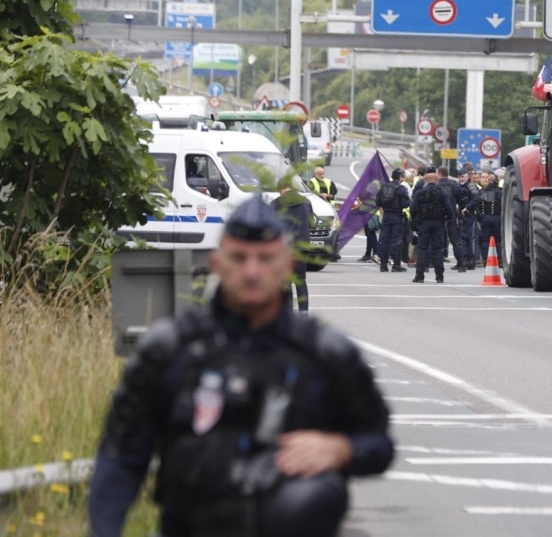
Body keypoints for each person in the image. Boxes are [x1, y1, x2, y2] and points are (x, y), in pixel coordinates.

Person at [88, 195, 394, 537]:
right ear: (217, 264)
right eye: (239, 258)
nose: (251, 271)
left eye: (265, 259)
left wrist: (343, 450)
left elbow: (379, 444)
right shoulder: (171, 349)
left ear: (287, 264)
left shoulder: (326, 354)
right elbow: (122, 457)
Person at [271, 179, 313, 315]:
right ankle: (304, 313)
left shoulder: (276, 204)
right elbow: (312, 223)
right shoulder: (306, 202)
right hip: (301, 247)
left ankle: (288, 315)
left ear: (281, 188)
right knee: (301, 280)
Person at [410, 169, 456, 284]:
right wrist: (446, 218)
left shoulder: (419, 193)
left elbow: (413, 209)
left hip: (424, 223)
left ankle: (419, 275)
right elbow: (449, 210)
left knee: (422, 249)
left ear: (425, 180)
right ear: (436, 180)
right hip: (438, 223)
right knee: (438, 250)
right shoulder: (442, 192)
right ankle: (439, 276)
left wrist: (417, 221)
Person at [375, 169, 409, 273]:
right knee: (396, 241)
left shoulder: (384, 187)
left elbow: (377, 201)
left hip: (386, 216)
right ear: (400, 177)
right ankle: (396, 265)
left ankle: (383, 265)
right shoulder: (401, 188)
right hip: (397, 216)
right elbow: (405, 204)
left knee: (384, 240)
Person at [435, 167, 468, 271]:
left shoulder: (436, 185)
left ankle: (435, 263)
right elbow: (459, 198)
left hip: (438, 216)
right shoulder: (454, 184)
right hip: (451, 214)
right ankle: (461, 263)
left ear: (439, 174)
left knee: (436, 239)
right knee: (455, 240)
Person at [478, 171, 503, 265]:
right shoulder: (500, 192)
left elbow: (478, 205)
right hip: (497, 218)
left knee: (485, 239)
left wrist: (481, 218)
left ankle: (486, 260)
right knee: (498, 239)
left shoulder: (482, 192)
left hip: (485, 218)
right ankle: (499, 259)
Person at [459, 170, 482, 270]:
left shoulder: (471, 186)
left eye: (463, 176)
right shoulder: (461, 186)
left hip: (469, 214)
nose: (461, 178)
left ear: (467, 176)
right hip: (463, 214)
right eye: (460, 176)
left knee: (467, 237)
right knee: (465, 237)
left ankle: (469, 260)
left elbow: (477, 198)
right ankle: (467, 260)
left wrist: (467, 207)